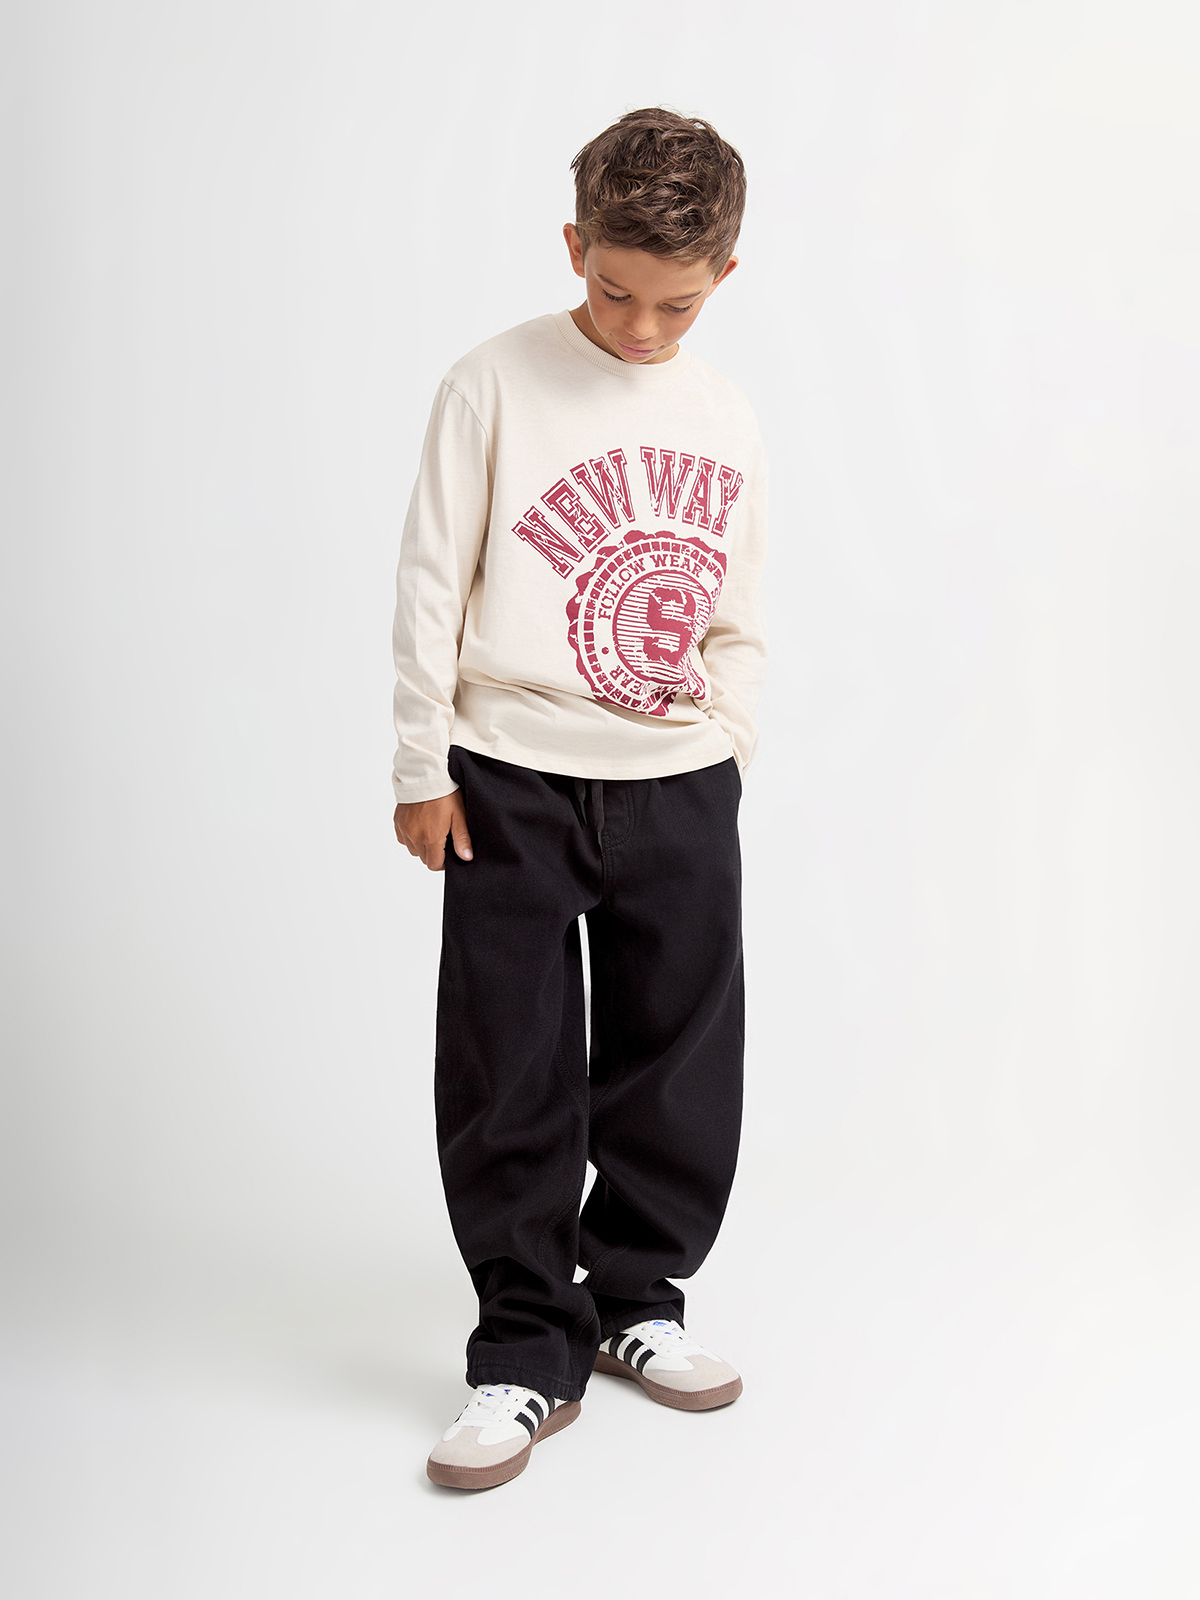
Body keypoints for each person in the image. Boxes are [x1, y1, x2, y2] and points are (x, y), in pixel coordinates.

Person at [391, 107, 769, 1491]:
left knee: (679, 1057)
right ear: (573, 247)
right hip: (509, 776)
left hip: (678, 783)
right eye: (614, 291)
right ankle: (521, 1346)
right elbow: (432, 581)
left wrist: (728, 745)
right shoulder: (492, 384)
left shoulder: (722, 413)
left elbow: (739, 603)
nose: (640, 326)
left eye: (676, 302)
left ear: (725, 274)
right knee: (511, 1062)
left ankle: (637, 1300)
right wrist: (421, 765)